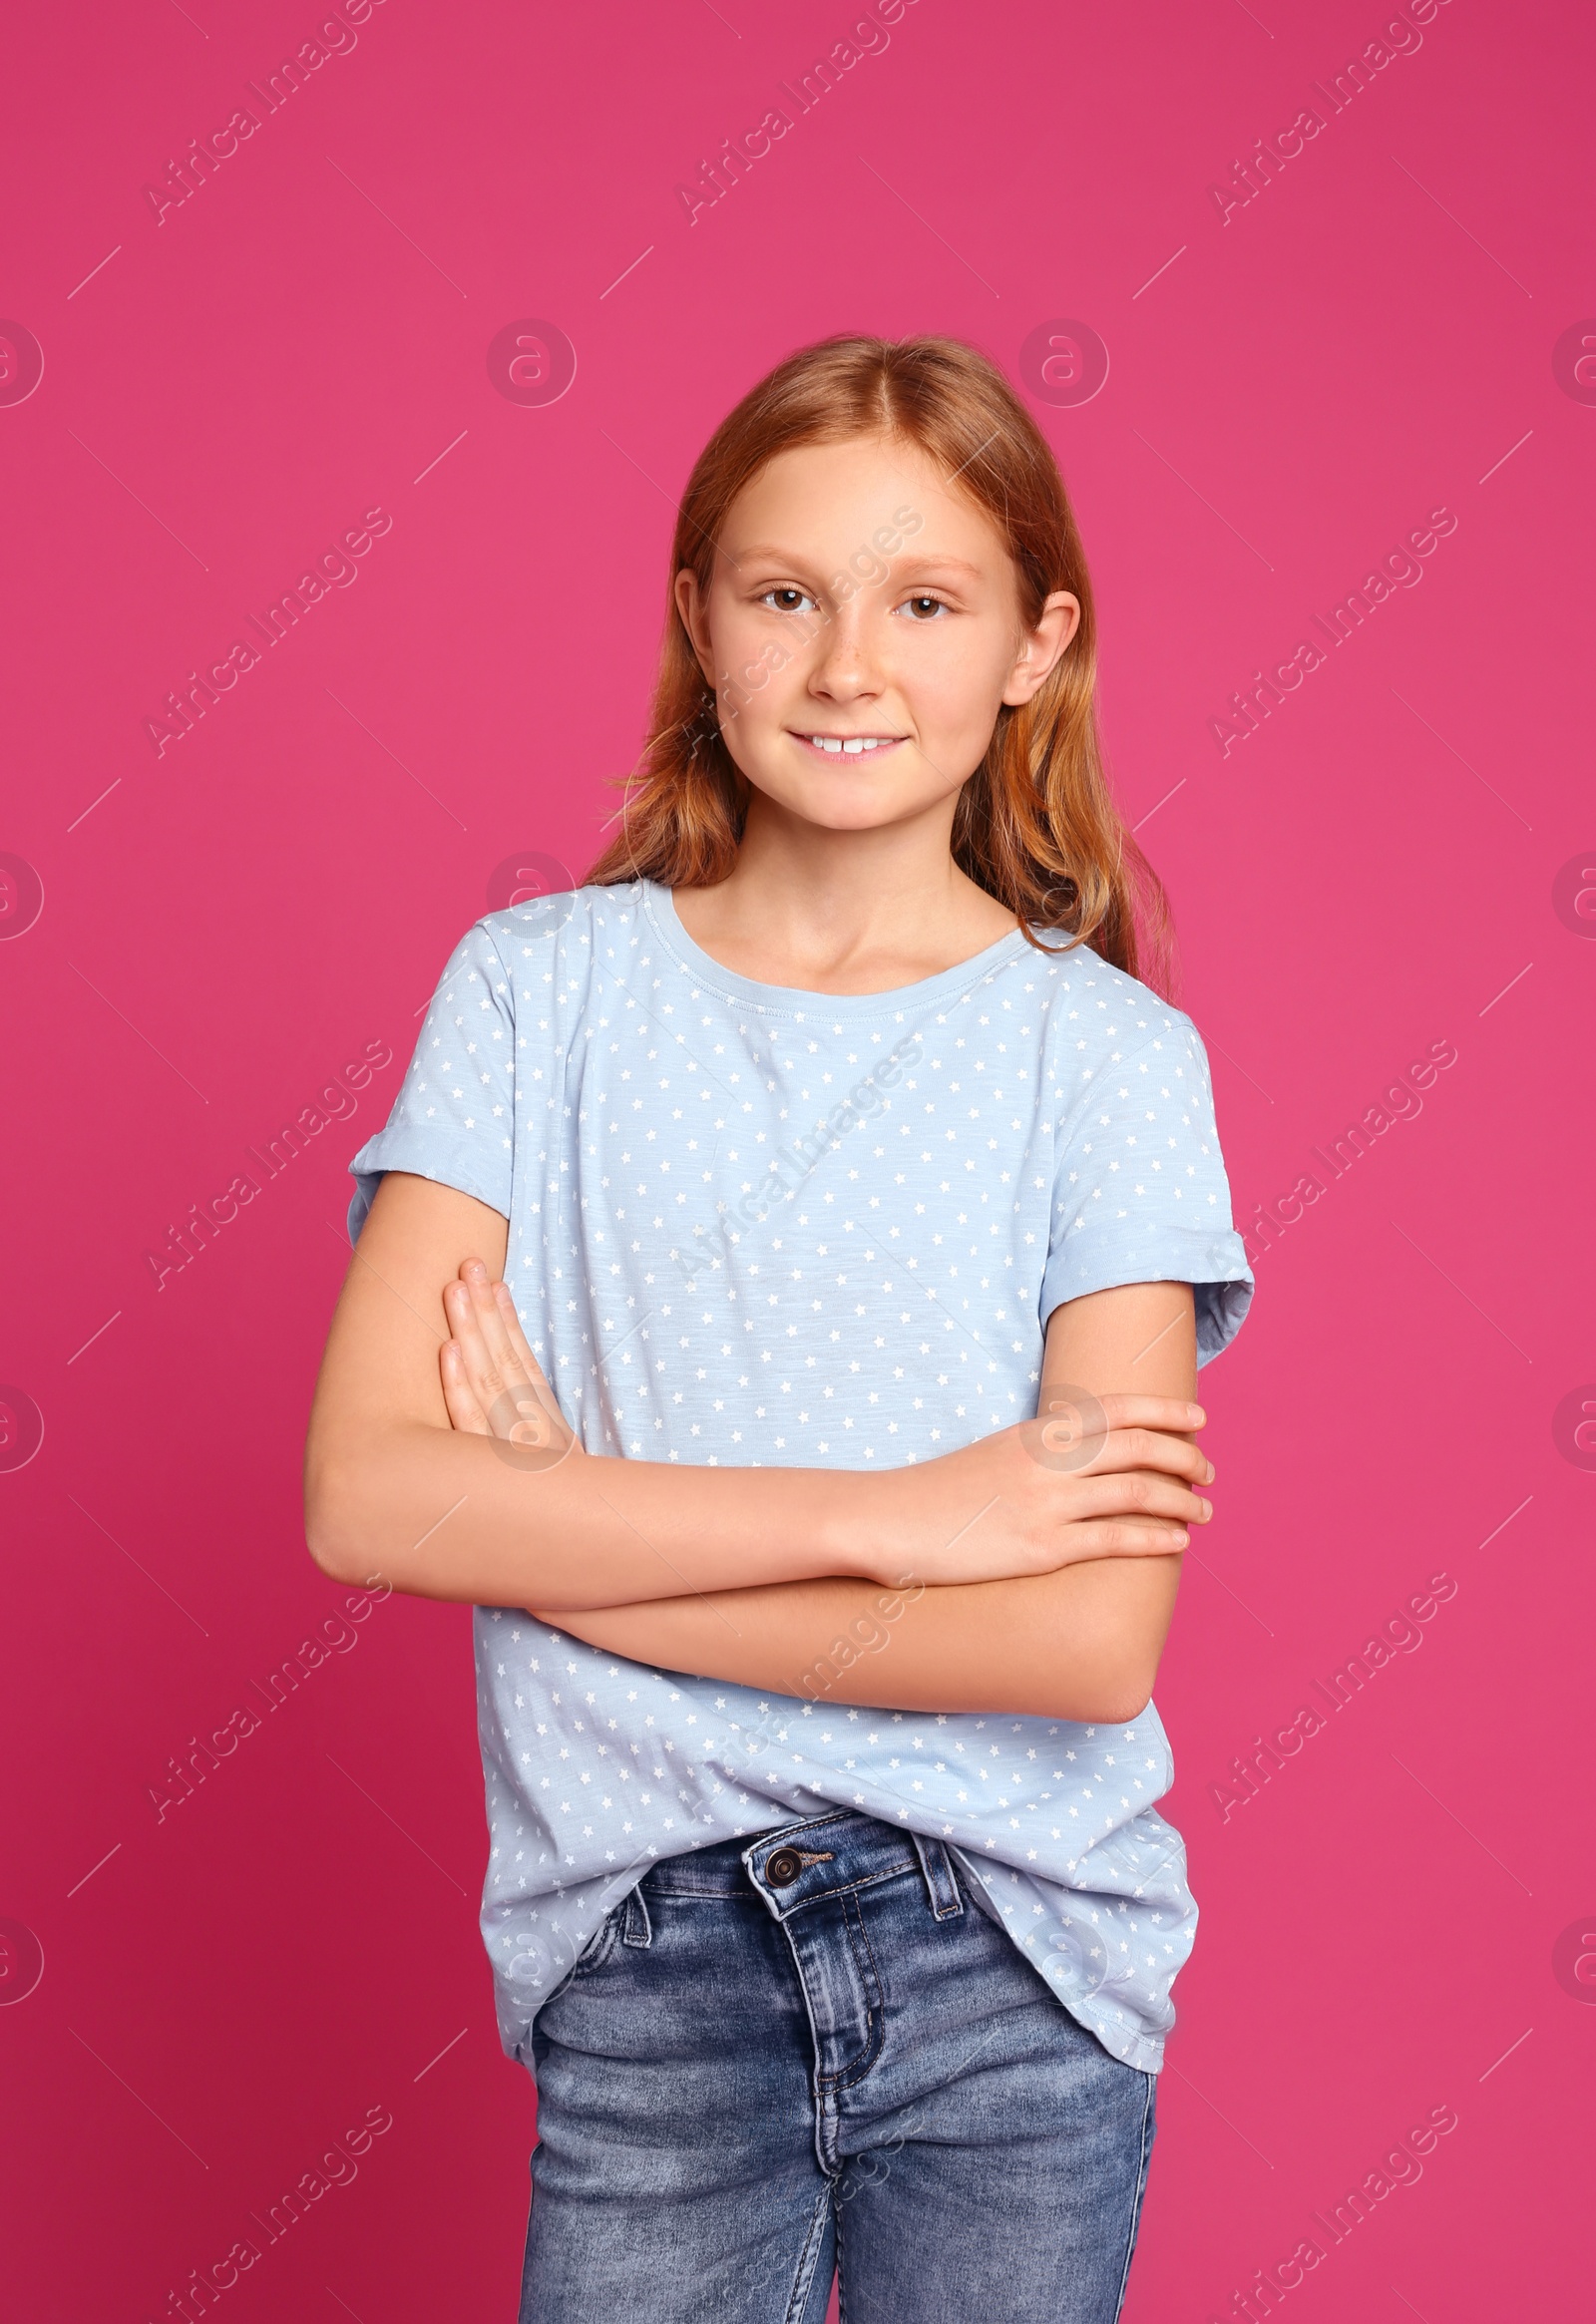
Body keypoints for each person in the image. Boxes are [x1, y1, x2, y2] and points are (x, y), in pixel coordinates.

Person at [303, 332, 1255, 2323]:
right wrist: (903, 1513)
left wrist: (572, 1543)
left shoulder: (1107, 1063)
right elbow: (373, 1497)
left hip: (1012, 1953)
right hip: (640, 1944)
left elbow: (1079, 1641)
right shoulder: (530, 997)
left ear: (1028, 643)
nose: (845, 666)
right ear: (696, 620)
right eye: (783, 594)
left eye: (922, 602)